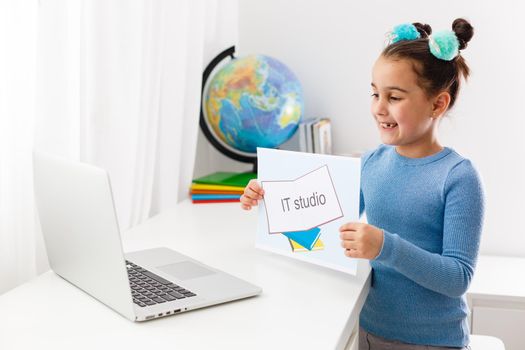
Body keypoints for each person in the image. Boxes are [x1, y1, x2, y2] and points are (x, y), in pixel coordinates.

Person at [240, 18, 483, 350]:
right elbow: (319, 225)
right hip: (369, 332)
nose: (379, 108)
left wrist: (386, 246)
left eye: (394, 97)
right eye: (375, 93)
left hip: (435, 342)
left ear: (438, 104)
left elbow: (457, 277)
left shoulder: (458, 177)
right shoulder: (370, 163)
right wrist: (269, 199)